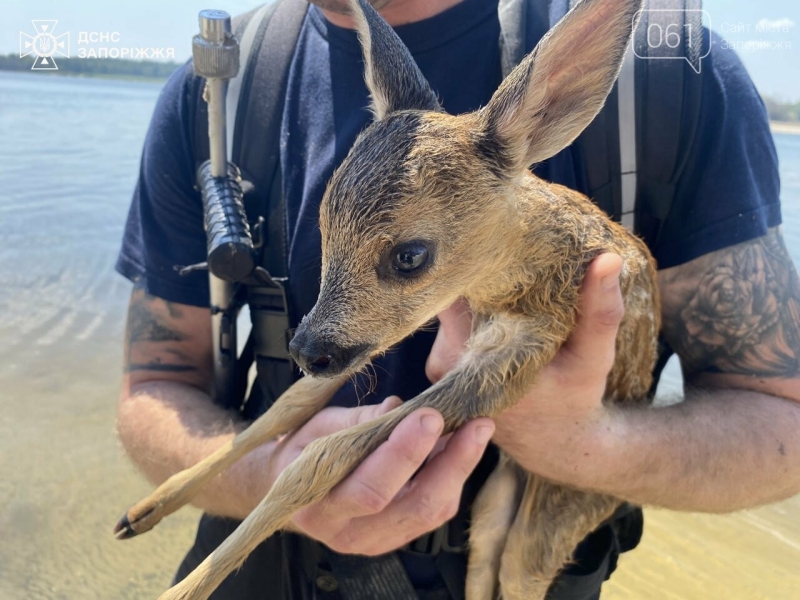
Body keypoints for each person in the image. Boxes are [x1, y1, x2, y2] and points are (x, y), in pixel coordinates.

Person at [115, 0, 800, 598]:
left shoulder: (671, 77)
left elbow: (783, 425)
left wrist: (585, 447)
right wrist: (264, 478)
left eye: (410, 259)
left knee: (517, 563)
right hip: (269, 577)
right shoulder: (221, 89)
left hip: (523, 561)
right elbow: (155, 383)